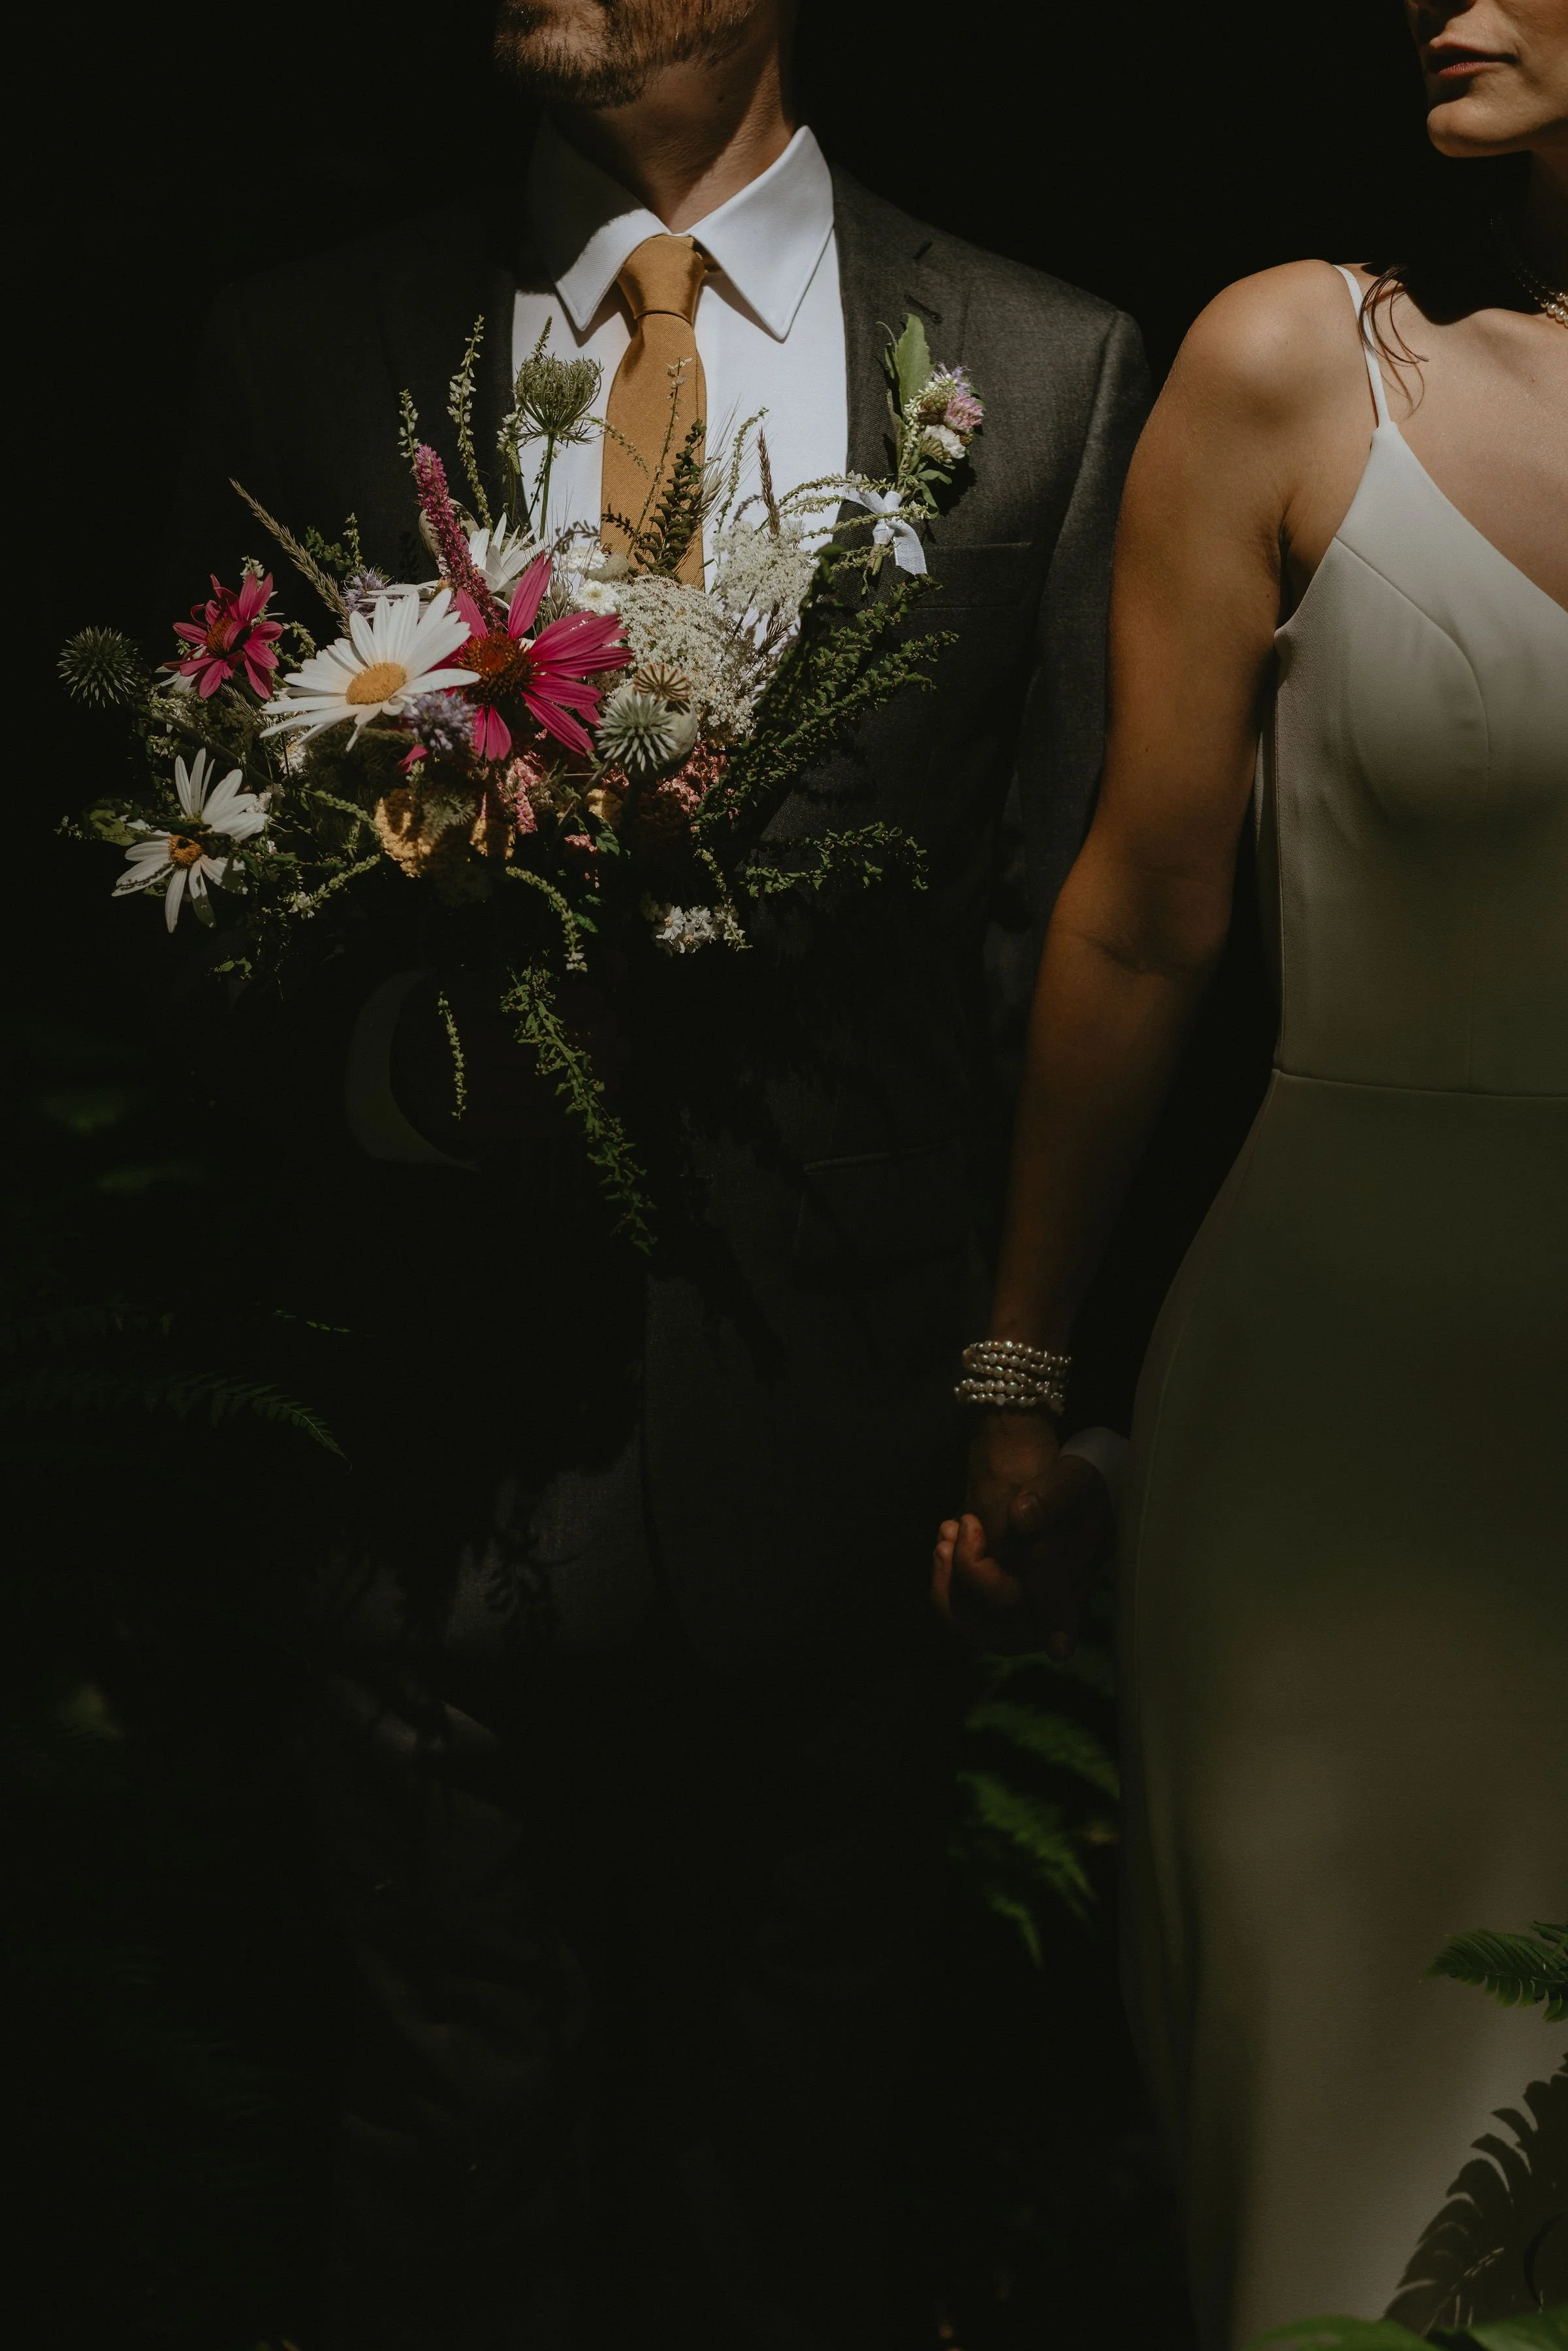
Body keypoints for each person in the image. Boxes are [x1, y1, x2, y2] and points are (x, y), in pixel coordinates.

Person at [159, 3, 1148, 2343]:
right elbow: (178, 909)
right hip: (429, 1458)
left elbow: (1061, 939)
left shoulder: (1052, 362)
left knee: (785, 2192)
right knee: (442, 2167)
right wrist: (405, 1075)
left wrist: (1021, 1383)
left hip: (839, 1462)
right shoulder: (306, 346)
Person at [936, 1, 1568, 2339]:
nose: (1452, 3)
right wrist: (1020, 1371)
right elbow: (1137, 908)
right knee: (1353, 2193)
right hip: (1335, 1437)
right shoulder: (1305, 364)